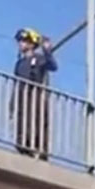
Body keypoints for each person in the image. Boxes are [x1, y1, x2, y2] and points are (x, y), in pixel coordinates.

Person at [11, 28, 58, 159]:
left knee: (37, 123)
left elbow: (53, 66)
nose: (21, 44)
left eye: (24, 41)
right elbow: (16, 83)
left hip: (35, 96)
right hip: (22, 96)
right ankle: (23, 147)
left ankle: (40, 150)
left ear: (31, 44)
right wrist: (12, 103)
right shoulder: (19, 63)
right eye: (20, 41)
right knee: (22, 124)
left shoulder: (39, 59)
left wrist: (47, 51)